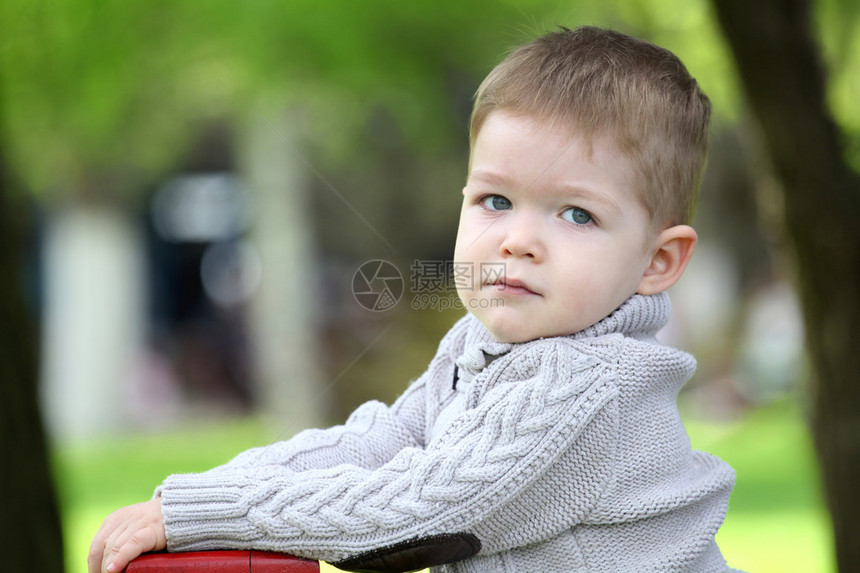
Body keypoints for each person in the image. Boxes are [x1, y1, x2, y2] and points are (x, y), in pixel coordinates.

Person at [90, 26, 740, 573]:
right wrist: (204, 493)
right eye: (496, 200)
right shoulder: (481, 346)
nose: (518, 240)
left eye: (574, 214)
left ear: (658, 261)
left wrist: (209, 513)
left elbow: (417, 506)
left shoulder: (591, 387)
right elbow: (380, 442)